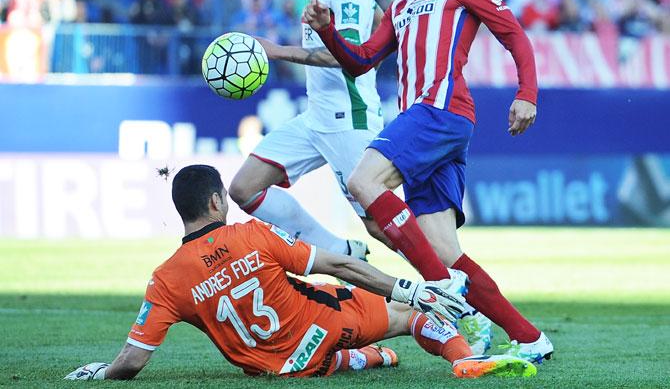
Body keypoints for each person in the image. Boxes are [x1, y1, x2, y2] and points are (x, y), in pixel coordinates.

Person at [303, 0, 553, 363]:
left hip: (439, 111)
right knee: (447, 251)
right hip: (429, 124)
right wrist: (331, 32)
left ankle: (438, 287)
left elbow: (514, 35)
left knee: (362, 181)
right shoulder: (400, 4)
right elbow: (360, 62)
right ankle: (529, 335)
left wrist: (528, 93)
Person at [64, 165, 536, 380]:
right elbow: (340, 263)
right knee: (402, 315)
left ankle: (374, 359)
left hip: (272, 367)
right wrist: (412, 291)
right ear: (215, 202)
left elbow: (133, 361)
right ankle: (463, 359)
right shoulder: (250, 235)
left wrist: (101, 373)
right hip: (322, 328)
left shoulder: (166, 279)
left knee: (324, 323)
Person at [228, 0, 385, 262]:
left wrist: (278, 51)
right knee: (244, 188)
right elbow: (379, 21)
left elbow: (345, 56)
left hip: (350, 118)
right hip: (317, 118)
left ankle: (452, 288)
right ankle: (338, 250)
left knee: (379, 225)